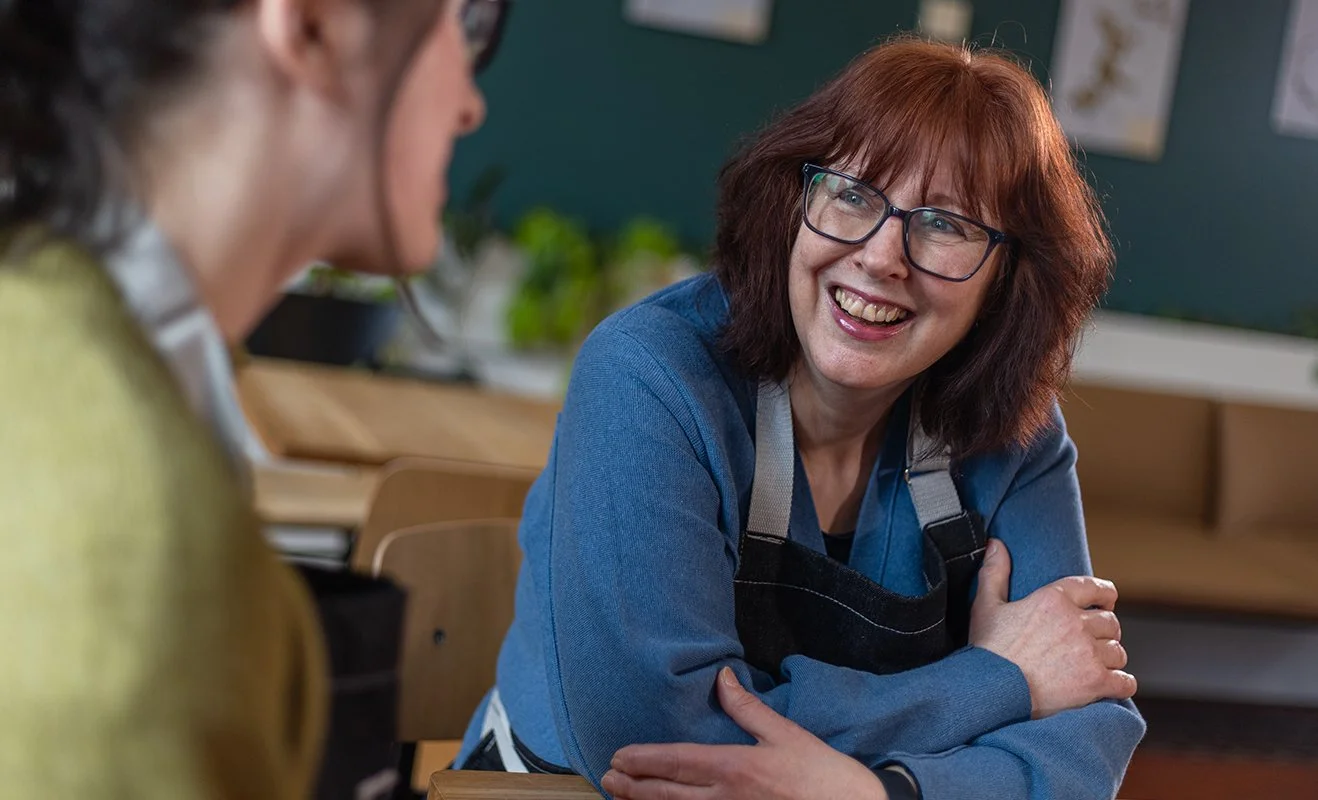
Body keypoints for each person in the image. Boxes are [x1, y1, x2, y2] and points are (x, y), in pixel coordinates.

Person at [457, 36, 1143, 799]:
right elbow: (654, 738)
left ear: (1009, 278)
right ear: (794, 201)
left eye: (945, 224)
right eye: (851, 194)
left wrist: (877, 794)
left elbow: (1088, 733)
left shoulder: (1017, 432)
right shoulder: (648, 375)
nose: (883, 256)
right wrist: (997, 680)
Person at [0, 0, 502, 796]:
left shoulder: (91, 365)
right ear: (313, 24)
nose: (472, 103)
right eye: (466, 23)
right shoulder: (123, 515)